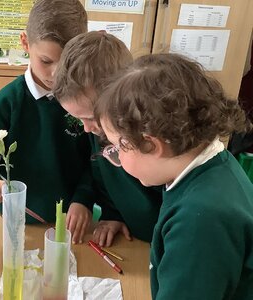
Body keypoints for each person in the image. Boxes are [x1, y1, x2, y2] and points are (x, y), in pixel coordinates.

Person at [95, 53, 253, 299]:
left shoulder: (200, 219)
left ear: (152, 145)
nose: (115, 158)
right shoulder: (212, 167)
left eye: (117, 148)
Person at [0, 0, 95, 243]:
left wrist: (83, 198)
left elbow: (97, 161)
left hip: (70, 228)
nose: (56, 73)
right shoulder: (9, 101)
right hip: (14, 226)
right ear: (25, 43)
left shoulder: (85, 102)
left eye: (67, 63)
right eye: (46, 61)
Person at [53, 31, 162, 246]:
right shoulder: (99, 129)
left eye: (90, 118)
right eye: (78, 120)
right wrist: (113, 214)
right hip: (131, 238)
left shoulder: (150, 140)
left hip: (163, 243)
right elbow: (101, 174)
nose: (86, 129)